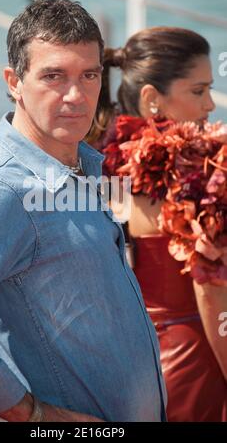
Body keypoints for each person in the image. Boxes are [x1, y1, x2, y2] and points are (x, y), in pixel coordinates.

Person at [0, 0, 167, 422]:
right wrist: (32, 414)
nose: (76, 96)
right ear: (13, 81)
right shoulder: (2, 192)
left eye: (89, 75)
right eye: (53, 76)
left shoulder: (81, 167)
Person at [88, 26, 227, 421]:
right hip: (199, 362)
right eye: (198, 91)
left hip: (135, 366)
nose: (211, 105)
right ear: (151, 99)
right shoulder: (199, 180)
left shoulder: (105, 165)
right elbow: (212, 297)